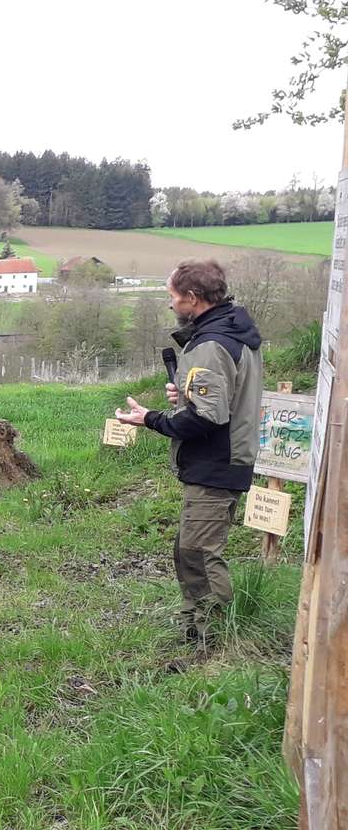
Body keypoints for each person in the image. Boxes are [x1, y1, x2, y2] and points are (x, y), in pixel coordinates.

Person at [114, 259, 264, 645]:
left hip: (215, 462)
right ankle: (196, 627)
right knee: (191, 549)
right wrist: (185, 394)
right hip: (224, 457)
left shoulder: (212, 345)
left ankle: (214, 639)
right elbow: (220, 397)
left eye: (173, 297)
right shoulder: (230, 332)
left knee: (198, 553)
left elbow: (204, 422)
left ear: (193, 299)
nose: (170, 304)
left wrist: (150, 419)